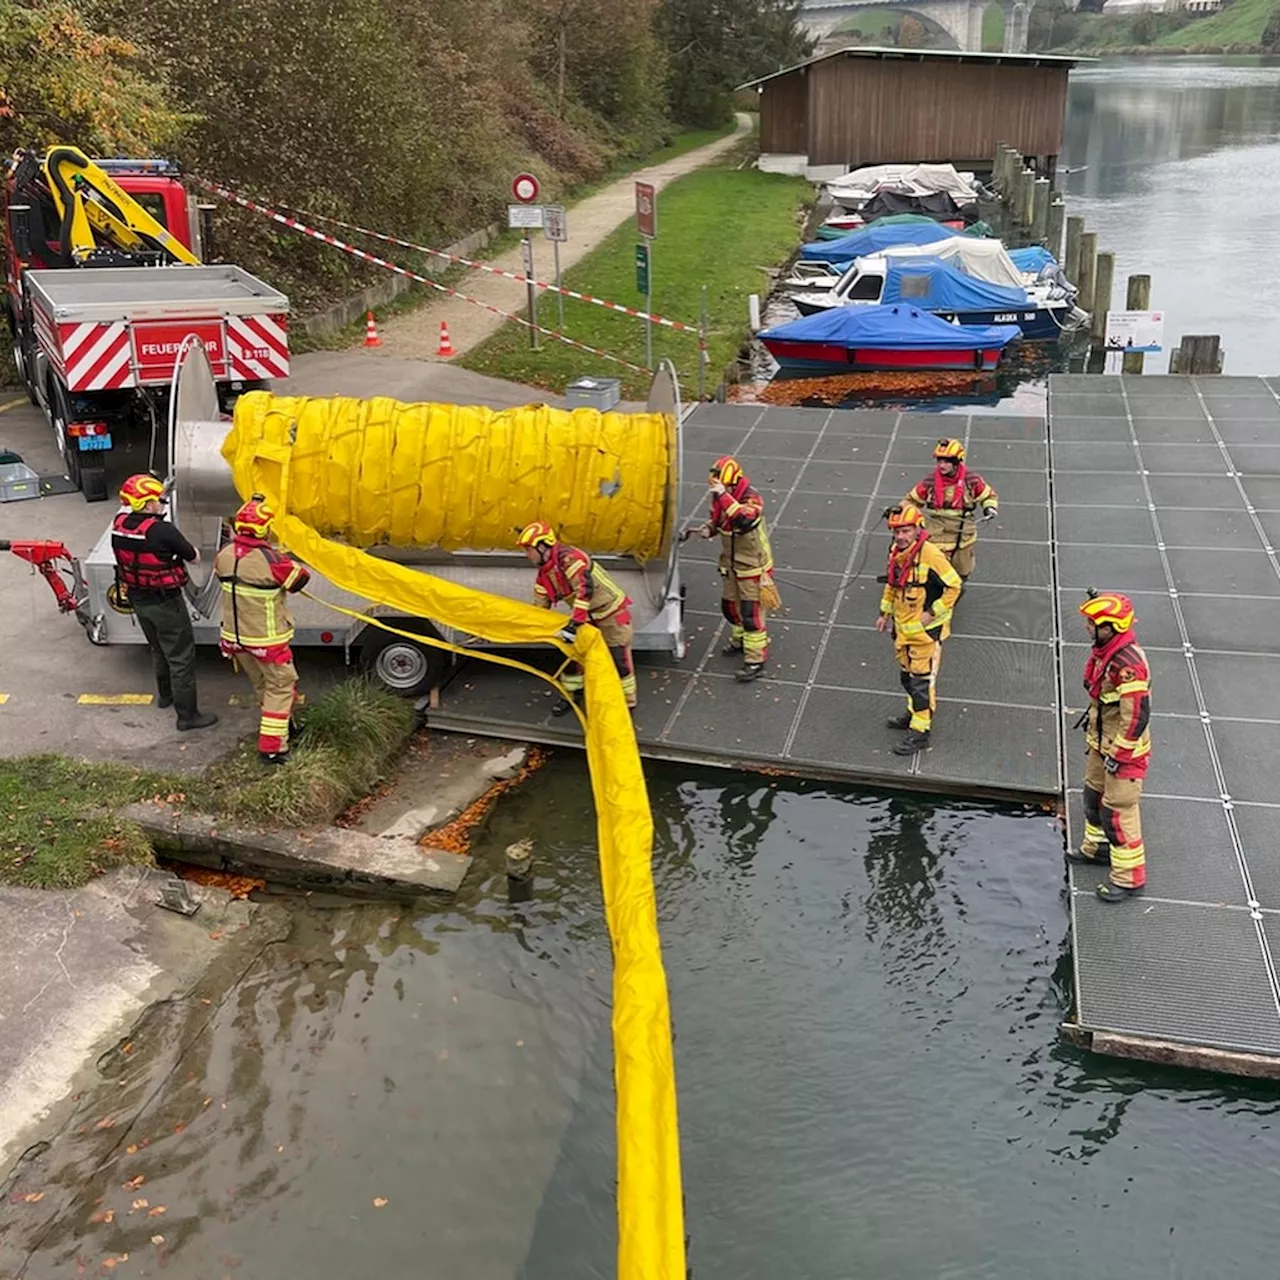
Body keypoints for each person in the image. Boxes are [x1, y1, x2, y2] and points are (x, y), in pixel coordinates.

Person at [111, 473, 218, 731]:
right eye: (158, 499)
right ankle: (188, 716)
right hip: (166, 603)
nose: (162, 502)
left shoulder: (119, 523)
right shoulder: (162, 530)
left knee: (158, 649)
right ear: (148, 504)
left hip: (138, 599)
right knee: (181, 657)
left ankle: (166, 696)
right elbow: (193, 557)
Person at [213, 495, 309, 764]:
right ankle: (272, 749)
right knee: (281, 685)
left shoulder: (224, 555)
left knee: (263, 685)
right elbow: (299, 579)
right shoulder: (272, 559)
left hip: (234, 639)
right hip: (266, 640)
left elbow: (220, 574)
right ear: (265, 528)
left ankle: (283, 729)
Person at [1069, 591, 1151, 901]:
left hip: (1122, 752)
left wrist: (1120, 754)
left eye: (1093, 623)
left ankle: (1129, 879)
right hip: (1102, 742)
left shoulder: (1128, 665)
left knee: (1119, 812)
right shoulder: (1108, 652)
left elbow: (1136, 715)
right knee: (1093, 796)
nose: (1088, 627)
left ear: (1110, 628)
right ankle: (1098, 849)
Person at [516, 521, 636, 717]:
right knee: (571, 656)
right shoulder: (545, 573)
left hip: (611, 613)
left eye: (528, 550)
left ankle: (627, 704)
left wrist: (574, 624)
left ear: (542, 546)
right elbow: (540, 604)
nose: (527, 555)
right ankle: (572, 695)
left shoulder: (571, 559)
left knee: (619, 659)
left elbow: (584, 590)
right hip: (586, 616)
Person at [875, 503, 961, 756]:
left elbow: (955, 586)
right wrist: (884, 613)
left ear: (917, 529)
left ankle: (920, 732)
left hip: (925, 634)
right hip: (903, 631)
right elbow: (893, 584)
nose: (901, 537)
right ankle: (913, 713)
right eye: (897, 531)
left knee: (921, 683)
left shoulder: (931, 555)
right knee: (907, 678)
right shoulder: (896, 552)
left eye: (906, 531)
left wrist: (932, 613)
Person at [685, 455, 780, 683]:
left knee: (751, 614)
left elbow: (742, 520)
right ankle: (740, 641)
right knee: (730, 608)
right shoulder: (722, 498)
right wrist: (707, 530)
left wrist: (723, 495)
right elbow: (720, 521)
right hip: (731, 564)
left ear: (733, 482)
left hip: (752, 567)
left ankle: (755, 660)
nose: (718, 489)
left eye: (723, 486)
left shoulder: (752, 499)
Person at [902, 438, 998, 586]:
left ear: (956, 462)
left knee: (963, 567)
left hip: (963, 531)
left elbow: (988, 495)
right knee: (934, 565)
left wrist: (989, 507)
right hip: (936, 530)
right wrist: (904, 513)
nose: (942, 465)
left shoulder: (971, 480)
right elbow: (911, 500)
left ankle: (956, 589)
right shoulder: (930, 481)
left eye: (946, 462)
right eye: (939, 461)